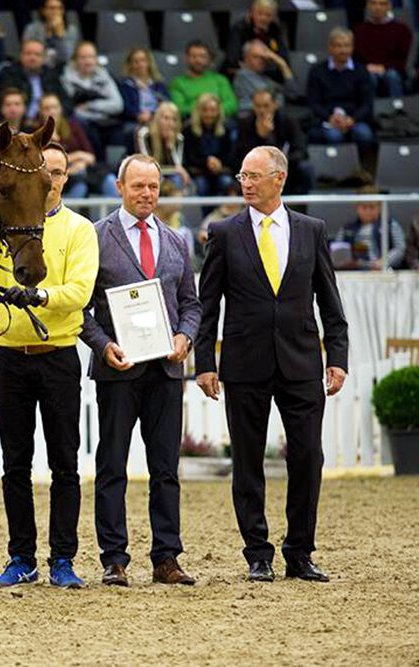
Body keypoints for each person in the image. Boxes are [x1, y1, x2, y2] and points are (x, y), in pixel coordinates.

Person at [195, 146, 349, 584]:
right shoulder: (223, 233)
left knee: (308, 459)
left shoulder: (311, 230)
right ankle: (257, 554)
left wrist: (336, 356)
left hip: (302, 362)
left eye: (254, 176)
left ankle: (300, 552)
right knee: (247, 462)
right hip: (245, 364)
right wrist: (205, 362)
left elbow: (330, 302)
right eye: (242, 175)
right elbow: (209, 307)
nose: (245, 183)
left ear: (278, 179)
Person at [0, 141, 99, 589]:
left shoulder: (80, 230)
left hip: (57, 355)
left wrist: (38, 296)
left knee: (65, 462)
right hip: (10, 358)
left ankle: (62, 559)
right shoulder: (5, 226)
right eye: (47, 173)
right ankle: (21, 557)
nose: (52, 181)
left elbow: (79, 292)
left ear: (65, 179)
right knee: (15, 463)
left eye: (58, 174)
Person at [79, 154, 201, 588]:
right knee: (112, 466)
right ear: (119, 187)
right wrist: (103, 344)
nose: (147, 194)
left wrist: (185, 337)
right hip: (119, 369)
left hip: (165, 371)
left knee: (166, 468)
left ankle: (166, 557)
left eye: (153, 186)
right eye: (138, 186)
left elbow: (191, 303)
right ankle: (114, 559)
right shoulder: (95, 238)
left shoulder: (175, 240)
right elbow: (82, 308)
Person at [306, 28, 376, 152]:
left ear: (352, 47)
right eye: (338, 46)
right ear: (330, 48)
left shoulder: (361, 71)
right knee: (334, 136)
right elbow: (313, 102)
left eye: (347, 46)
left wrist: (352, 119)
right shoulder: (317, 71)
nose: (343, 50)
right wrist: (329, 118)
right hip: (327, 119)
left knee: (364, 135)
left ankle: (359, 169)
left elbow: (367, 102)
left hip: (354, 118)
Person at [233, 89, 312, 194]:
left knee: (305, 168)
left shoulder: (288, 121)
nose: (262, 110)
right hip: (256, 170)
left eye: (266, 106)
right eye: (258, 106)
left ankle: (303, 205)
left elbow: (301, 151)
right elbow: (241, 155)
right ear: (253, 106)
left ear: (275, 105)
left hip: (287, 167)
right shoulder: (246, 124)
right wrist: (263, 138)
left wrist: (282, 162)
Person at [60, 40, 124, 154]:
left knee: (119, 132)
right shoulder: (66, 78)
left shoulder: (103, 75)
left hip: (105, 120)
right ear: (75, 60)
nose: (88, 61)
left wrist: (90, 106)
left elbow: (118, 105)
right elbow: (74, 110)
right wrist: (102, 107)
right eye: (83, 57)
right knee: (82, 125)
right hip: (84, 122)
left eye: (91, 57)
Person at [332, 185, 407, 270]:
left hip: (383, 271)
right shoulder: (346, 229)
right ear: (357, 207)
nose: (368, 211)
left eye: (372, 207)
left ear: (379, 207)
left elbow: (400, 248)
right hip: (355, 272)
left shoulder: (390, 225)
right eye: (364, 207)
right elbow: (337, 251)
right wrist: (346, 262)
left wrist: (383, 262)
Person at [35, 92, 95, 198]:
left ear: (60, 109)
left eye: (55, 107)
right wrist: (77, 156)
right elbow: (40, 160)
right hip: (50, 176)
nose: (52, 112)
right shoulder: (35, 133)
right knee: (80, 185)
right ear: (40, 111)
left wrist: (82, 163)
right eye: (47, 108)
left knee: (108, 179)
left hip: (80, 172)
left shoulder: (73, 126)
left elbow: (90, 156)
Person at [0, 39, 70, 120]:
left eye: (37, 54)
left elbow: (67, 104)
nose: (32, 58)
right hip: (19, 122)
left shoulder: (51, 75)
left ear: (44, 58)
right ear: (20, 55)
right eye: (28, 54)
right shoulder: (9, 73)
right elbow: (2, 103)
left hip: (45, 121)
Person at [353, 0, 412, 99]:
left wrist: (384, 67)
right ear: (367, 6)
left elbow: (405, 59)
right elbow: (355, 59)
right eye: (373, 3)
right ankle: (369, 111)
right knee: (369, 77)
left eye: (382, 3)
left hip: (393, 70)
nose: (378, 7)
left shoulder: (401, 29)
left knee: (392, 76)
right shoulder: (359, 30)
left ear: (389, 6)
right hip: (368, 70)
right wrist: (367, 67)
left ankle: (398, 109)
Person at [169, 41, 238, 119]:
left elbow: (232, 105)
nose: (198, 60)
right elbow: (179, 109)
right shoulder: (178, 83)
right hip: (191, 123)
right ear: (186, 59)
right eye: (194, 56)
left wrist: (212, 111)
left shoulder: (220, 80)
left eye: (202, 56)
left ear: (209, 59)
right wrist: (204, 111)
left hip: (220, 122)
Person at [224, 0, 290, 81]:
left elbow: (282, 56)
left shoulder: (274, 29)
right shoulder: (239, 29)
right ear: (252, 13)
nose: (263, 18)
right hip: (245, 74)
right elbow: (233, 59)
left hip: (269, 74)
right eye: (259, 13)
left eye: (268, 15)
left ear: (273, 17)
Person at [183, 93, 234, 197]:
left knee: (227, 182)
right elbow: (189, 158)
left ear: (218, 111)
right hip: (198, 172)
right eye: (205, 110)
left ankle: (223, 213)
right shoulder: (188, 130)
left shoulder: (226, 129)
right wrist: (207, 162)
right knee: (201, 185)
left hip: (220, 172)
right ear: (199, 111)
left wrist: (219, 164)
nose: (209, 114)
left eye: (212, 110)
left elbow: (230, 155)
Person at [232, 39, 298, 114]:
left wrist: (282, 64)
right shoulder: (243, 76)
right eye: (256, 57)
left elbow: (292, 93)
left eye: (263, 57)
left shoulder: (265, 76)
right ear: (246, 58)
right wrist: (273, 104)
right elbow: (243, 107)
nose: (261, 60)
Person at [117, 48, 170, 137]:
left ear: (149, 63)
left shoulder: (159, 85)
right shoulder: (126, 86)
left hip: (157, 119)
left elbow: (167, 103)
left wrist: (152, 115)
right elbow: (125, 107)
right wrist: (139, 116)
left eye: (143, 60)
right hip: (135, 121)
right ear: (130, 65)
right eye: (135, 62)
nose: (140, 65)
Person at [21, 0, 81, 69]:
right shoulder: (32, 29)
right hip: (39, 68)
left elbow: (67, 58)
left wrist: (60, 36)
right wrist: (48, 33)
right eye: (51, 8)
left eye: (59, 8)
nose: (55, 12)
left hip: (62, 69)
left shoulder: (71, 30)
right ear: (43, 11)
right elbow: (29, 55)